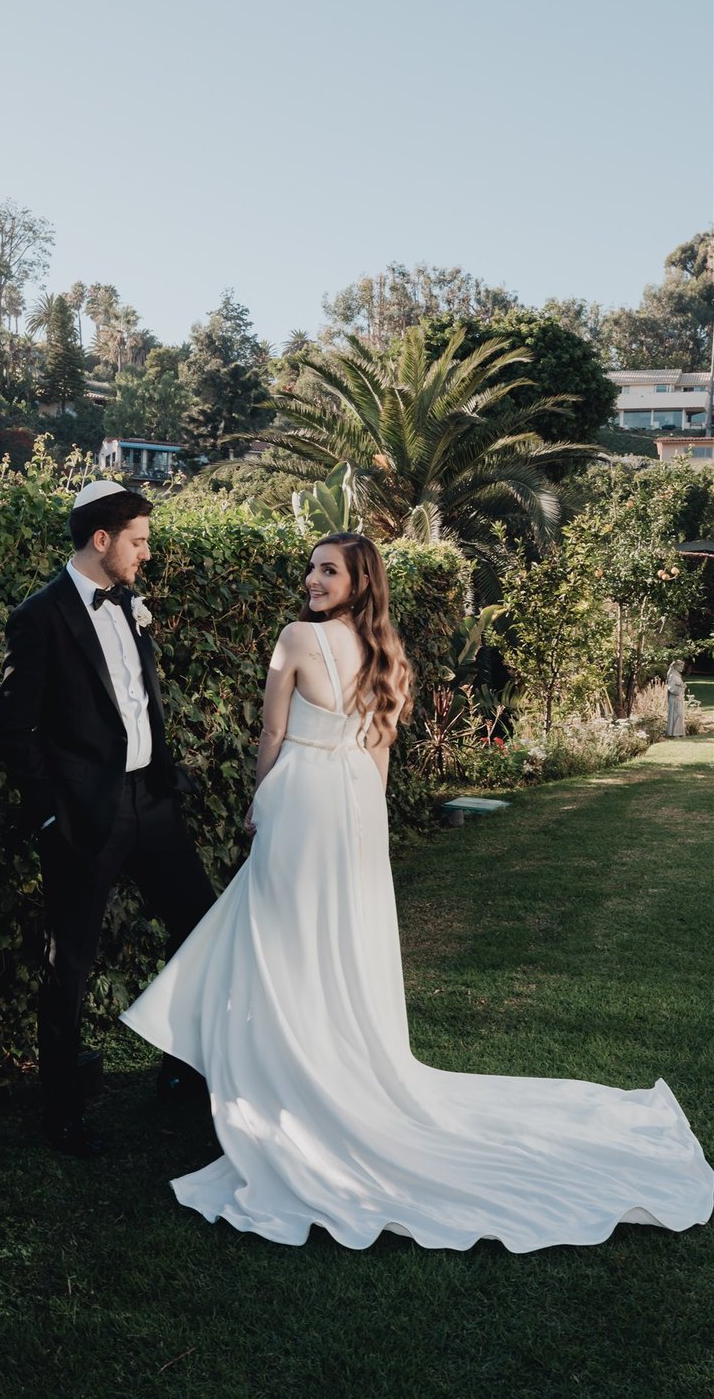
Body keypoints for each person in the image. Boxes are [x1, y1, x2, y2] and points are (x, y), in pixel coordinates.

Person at [121, 533, 714, 1250]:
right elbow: (379, 751)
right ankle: (274, 1064)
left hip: (303, 793)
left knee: (282, 936)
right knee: (331, 936)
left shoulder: (296, 638)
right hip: (355, 805)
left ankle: (269, 1072)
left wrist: (260, 801)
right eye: (311, 568)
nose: (311, 579)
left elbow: (273, 732)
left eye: (327, 570)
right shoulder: (387, 651)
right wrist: (366, 825)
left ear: (357, 580)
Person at [0, 480, 215, 1156]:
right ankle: (62, 1111)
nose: (146, 554)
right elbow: (13, 731)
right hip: (85, 819)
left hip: (152, 803)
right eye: (139, 541)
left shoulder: (128, 604)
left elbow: (138, 700)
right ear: (102, 540)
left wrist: (166, 782)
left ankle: (182, 1067)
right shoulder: (39, 616)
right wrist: (50, 818)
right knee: (70, 966)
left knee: (202, 929)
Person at [666, 659, 687, 737]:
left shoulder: (677, 675)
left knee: (679, 714)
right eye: (680, 666)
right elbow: (671, 688)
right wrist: (681, 687)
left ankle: (679, 732)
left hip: (678, 698)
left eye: (682, 666)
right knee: (676, 714)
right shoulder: (673, 676)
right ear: (675, 666)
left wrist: (682, 686)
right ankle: (675, 733)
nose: (682, 667)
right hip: (674, 698)